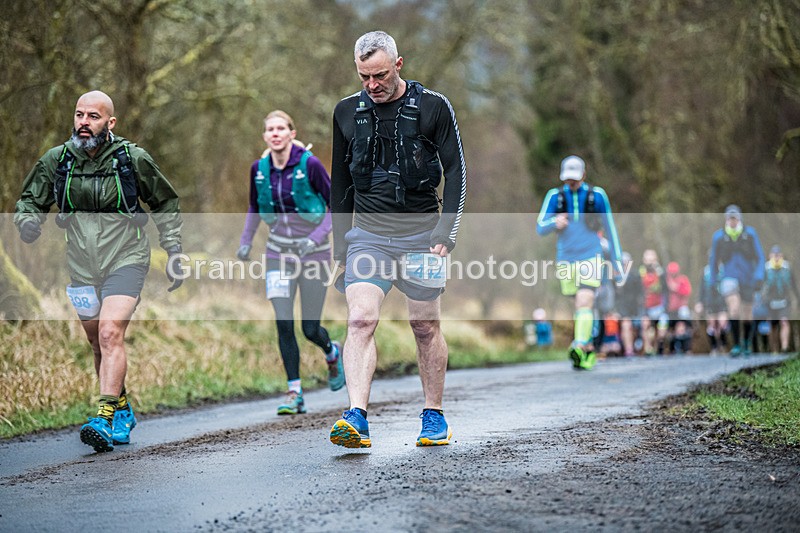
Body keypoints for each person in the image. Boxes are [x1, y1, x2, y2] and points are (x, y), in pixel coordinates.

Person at [13, 90, 183, 452]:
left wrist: (174, 250)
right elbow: (29, 199)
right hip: (81, 264)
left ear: (110, 122)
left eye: (92, 116)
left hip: (127, 257)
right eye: (79, 115)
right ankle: (122, 409)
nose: (83, 123)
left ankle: (103, 416)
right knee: (96, 342)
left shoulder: (131, 158)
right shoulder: (58, 160)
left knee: (109, 333)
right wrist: (27, 221)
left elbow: (166, 201)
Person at [328, 31, 467, 448]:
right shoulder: (345, 112)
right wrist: (339, 246)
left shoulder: (433, 107)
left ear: (399, 64)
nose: (373, 85)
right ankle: (356, 416)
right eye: (365, 76)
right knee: (360, 318)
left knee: (424, 325)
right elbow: (339, 184)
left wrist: (447, 231)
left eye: (381, 75)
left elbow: (457, 170)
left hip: (422, 235)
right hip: (368, 235)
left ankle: (433, 414)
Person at [237, 110, 344, 415]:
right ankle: (294, 392)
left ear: (292, 133)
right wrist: (246, 241)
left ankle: (331, 349)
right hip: (277, 255)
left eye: (281, 128)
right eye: (270, 129)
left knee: (309, 328)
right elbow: (255, 206)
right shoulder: (259, 169)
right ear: (265, 136)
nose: (275, 133)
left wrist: (315, 238)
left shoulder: (309, 164)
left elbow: (335, 204)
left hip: (314, 254)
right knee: (284, 323)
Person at [537, 155, 622, 370]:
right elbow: (540, 227)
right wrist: (554, 222)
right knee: (582, 305)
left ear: (583, 175)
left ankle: (579, 344)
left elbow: (610, 229)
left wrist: (617, 262)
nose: (571, 182)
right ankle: (588, 351)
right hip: (565, 259)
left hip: (591, 255)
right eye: (567, 179)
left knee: (585, 300)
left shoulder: (597, 196)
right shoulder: (555, 196)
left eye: (574, 178)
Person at [708, 205, 765, 356]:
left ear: (739, 218)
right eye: (729, 218)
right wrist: (713, 282)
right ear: (726, 219)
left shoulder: (750, 234)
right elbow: (713, 261)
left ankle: (746, 342)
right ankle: (736, 344)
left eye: (735, 218)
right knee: (733, 308)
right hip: (729, 277)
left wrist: (759, 276)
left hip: (748, 277)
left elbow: (760, 257)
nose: (732, 221)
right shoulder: (719, 237)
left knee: (747, 312)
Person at [761, 245, 800, 352]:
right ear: (770, 256)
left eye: (778, 255)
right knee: (772, 326)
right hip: (770, 302)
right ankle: (774, 349)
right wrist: (762, 300)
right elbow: (762, 286)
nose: (776, 257)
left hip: (784, 300)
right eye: (774, 255)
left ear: (781, 255)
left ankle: (785, 347)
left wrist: (797, 298)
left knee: (784, 322)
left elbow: (793, 284)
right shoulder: (766, 268)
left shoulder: (787, 268)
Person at [695, 259, 729, 354]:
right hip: (709, 301)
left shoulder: (724, 270)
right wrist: (699, 302)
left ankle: (723, 345)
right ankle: (714, 347)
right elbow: (701, 288)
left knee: (723, 324)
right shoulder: (706, 272)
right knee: (712, 325)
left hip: (722, 301)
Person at [639, 249, 669, 355]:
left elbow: (666, 288)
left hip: (659, 306)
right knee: (645, 325)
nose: (650, 262)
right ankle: (647, 348)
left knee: (660, 330)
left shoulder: (661, 272)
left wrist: (659, 271)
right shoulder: (640, 273)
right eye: (647, 259)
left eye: (652, 259)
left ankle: (656, 348)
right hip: (646, 306)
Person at [614, 252, 644, 357]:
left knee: (639, 327)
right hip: (622, 307)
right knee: (626, 325)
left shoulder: (635, 275)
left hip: (635, 307)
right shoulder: (615, 276)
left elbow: (640, 292)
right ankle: (629, 350)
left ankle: (640, 349)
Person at [665, 261, 692, 354]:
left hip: (681, 308)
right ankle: (670, 349)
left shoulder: (683, 279)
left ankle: (686, 348)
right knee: (667, 329)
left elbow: (687, 292)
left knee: (682, 326)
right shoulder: (666, 280)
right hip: (669, 310)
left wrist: (676, 288)